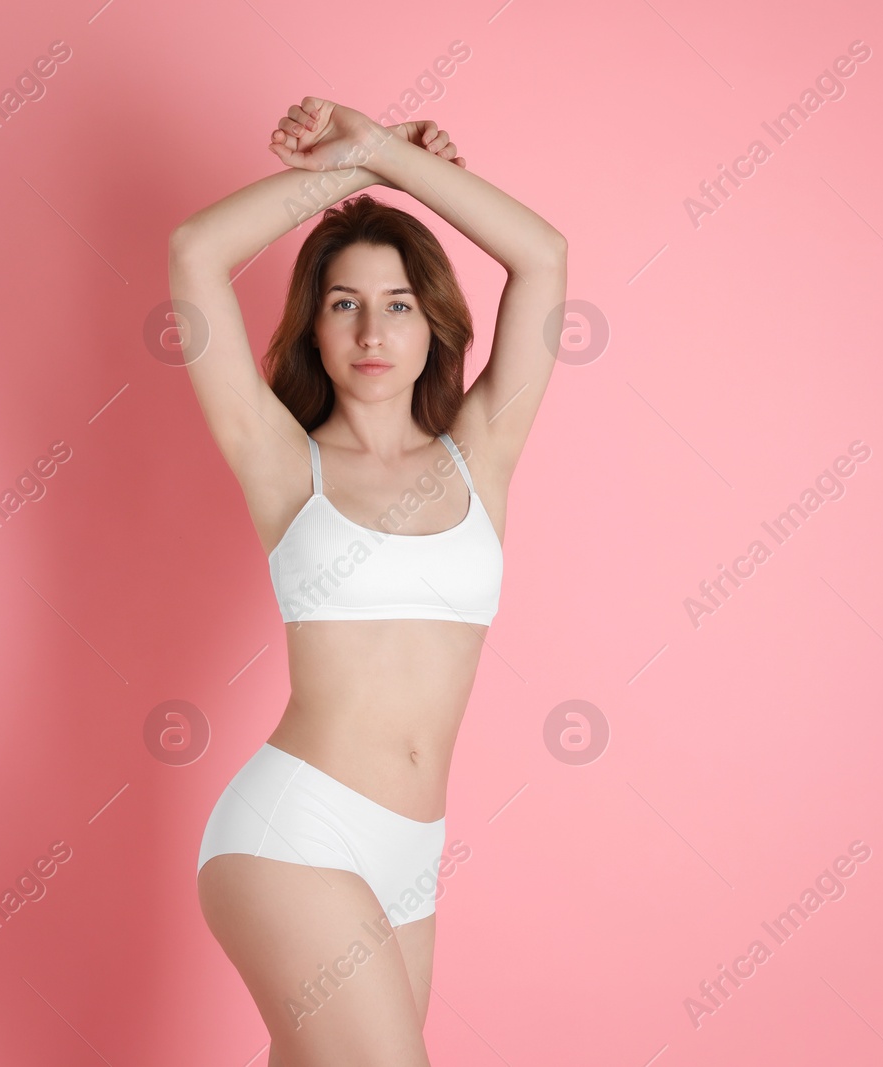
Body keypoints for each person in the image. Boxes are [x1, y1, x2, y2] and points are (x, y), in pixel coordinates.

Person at [169, 96, 566, 1066]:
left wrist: (393, 157)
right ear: (313, 325)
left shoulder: (483, 450)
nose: (371, 328)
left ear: (433, 321)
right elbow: (192, 252)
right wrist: (358, 173)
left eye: (396, 303)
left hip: (410, 859)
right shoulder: (279, 458)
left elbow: (543, 257)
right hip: (293, 832)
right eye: (342, 302)